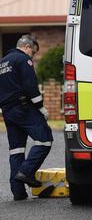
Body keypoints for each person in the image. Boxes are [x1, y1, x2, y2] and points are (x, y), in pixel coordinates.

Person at [0, 35, 53, 201]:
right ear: (27, 47)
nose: (33, 56)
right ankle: (26, 172)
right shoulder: (23, 60)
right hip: (24, 108)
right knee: (45, 139)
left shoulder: (2, 63)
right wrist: (41, 108)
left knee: (16, 150)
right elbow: (30, 86)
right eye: (33, 52)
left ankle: (18, 192)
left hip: (8, 111)